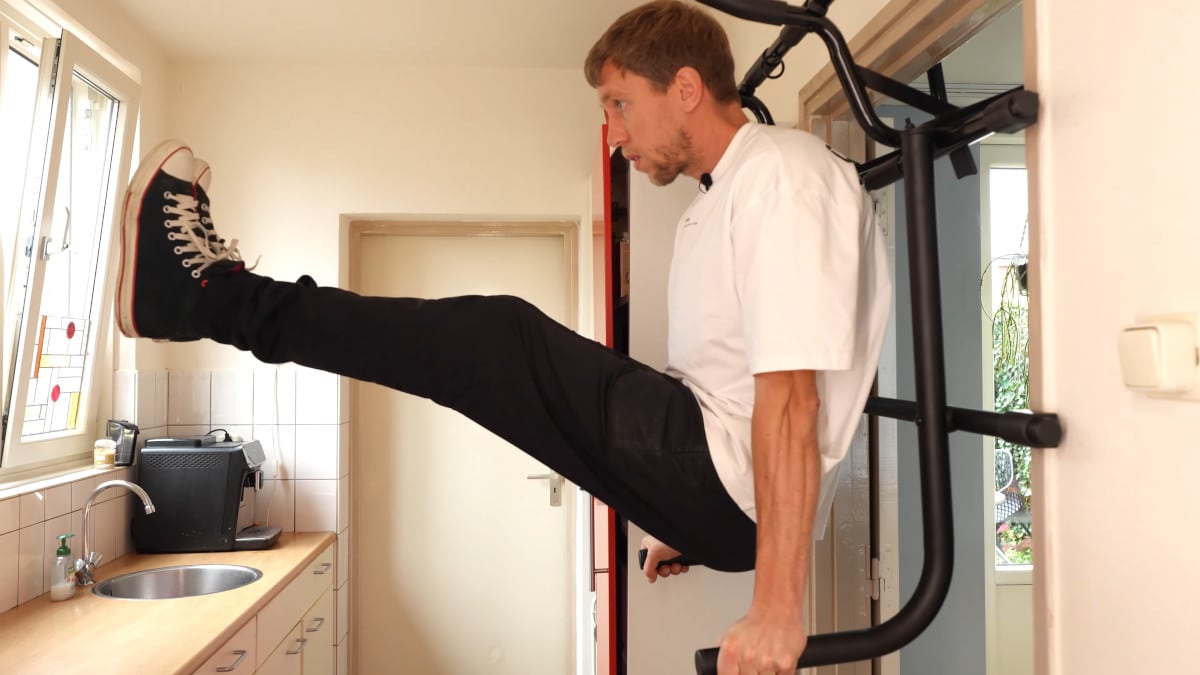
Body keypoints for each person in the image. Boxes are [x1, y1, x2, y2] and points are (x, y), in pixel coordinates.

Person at [115, 2, 889, 672]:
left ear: (685, 88)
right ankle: (205, 300)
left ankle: (205, 299)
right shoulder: (711, 206)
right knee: (492, 339)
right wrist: (676, 514)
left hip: (731, 487)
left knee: (495, 334)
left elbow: (790, 398)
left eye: (620, 104)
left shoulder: (782, 175)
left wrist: (778, 605)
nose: (612, 133)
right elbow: (722, 389)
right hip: (720, 484)